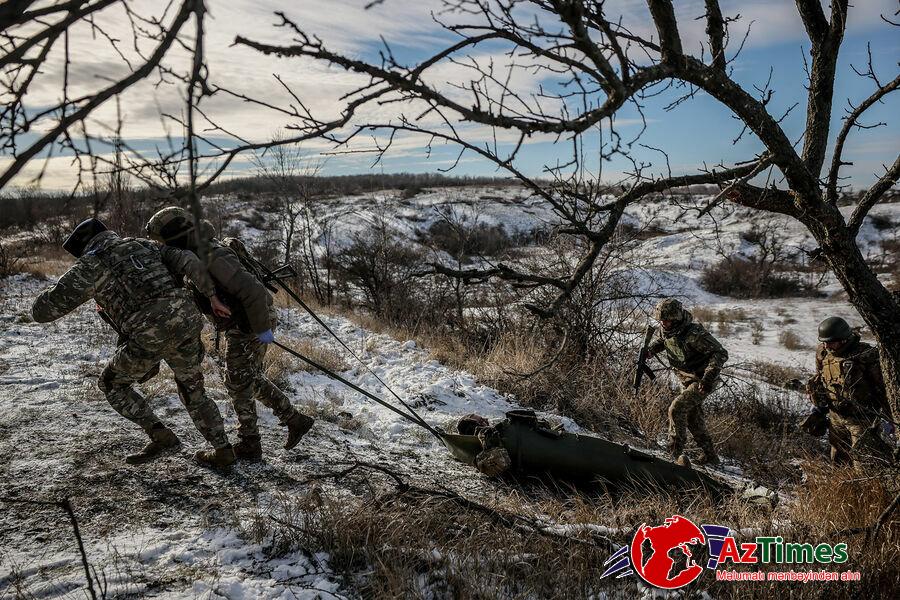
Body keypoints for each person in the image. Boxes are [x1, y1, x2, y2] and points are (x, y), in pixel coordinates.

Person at [31, 218, 236, 468]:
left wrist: (63, 284)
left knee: (112, 384)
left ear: (82, 248)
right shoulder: (143, 245)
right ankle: (223, 449)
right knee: (193, 388)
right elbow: (188, 260)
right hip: (186, 320)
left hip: (148, 332)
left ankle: (161, 435)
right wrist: (211, 295)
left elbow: (42, 312)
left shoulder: (88, 266)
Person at [146, 207, 314, 461]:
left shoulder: (212, 255)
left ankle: (251, 442)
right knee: (244, 378)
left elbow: (255, 292)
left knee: (238, 381)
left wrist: (261, 330)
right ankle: (292, 421)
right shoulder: (197, 251)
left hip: (251, 321)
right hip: (243, 322)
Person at [648, 298, 728, 466]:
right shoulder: (667, 329)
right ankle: (711, 456)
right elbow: (663, 341)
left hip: (703, 380)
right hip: (686, 379)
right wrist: (651, 351)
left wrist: (708, 377)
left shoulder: (694, 334)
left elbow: (720, 353)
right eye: (661, 320)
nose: (664, 323)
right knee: (693, 417)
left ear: (676, 318)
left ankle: (673, 452)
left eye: (667, 320)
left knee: (676, 408)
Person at [805, 316, 892, 469]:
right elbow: (821, 378)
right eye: (823, 342)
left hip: (862, 419)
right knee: (838, 461)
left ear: (844, 339)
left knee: (864, 464)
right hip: (836, 416)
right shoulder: (823, 353)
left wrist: (888, 418)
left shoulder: (867, 355)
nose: (826, 346)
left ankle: (870, 491)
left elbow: (884, 388)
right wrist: (818, 407)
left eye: (830, 342)